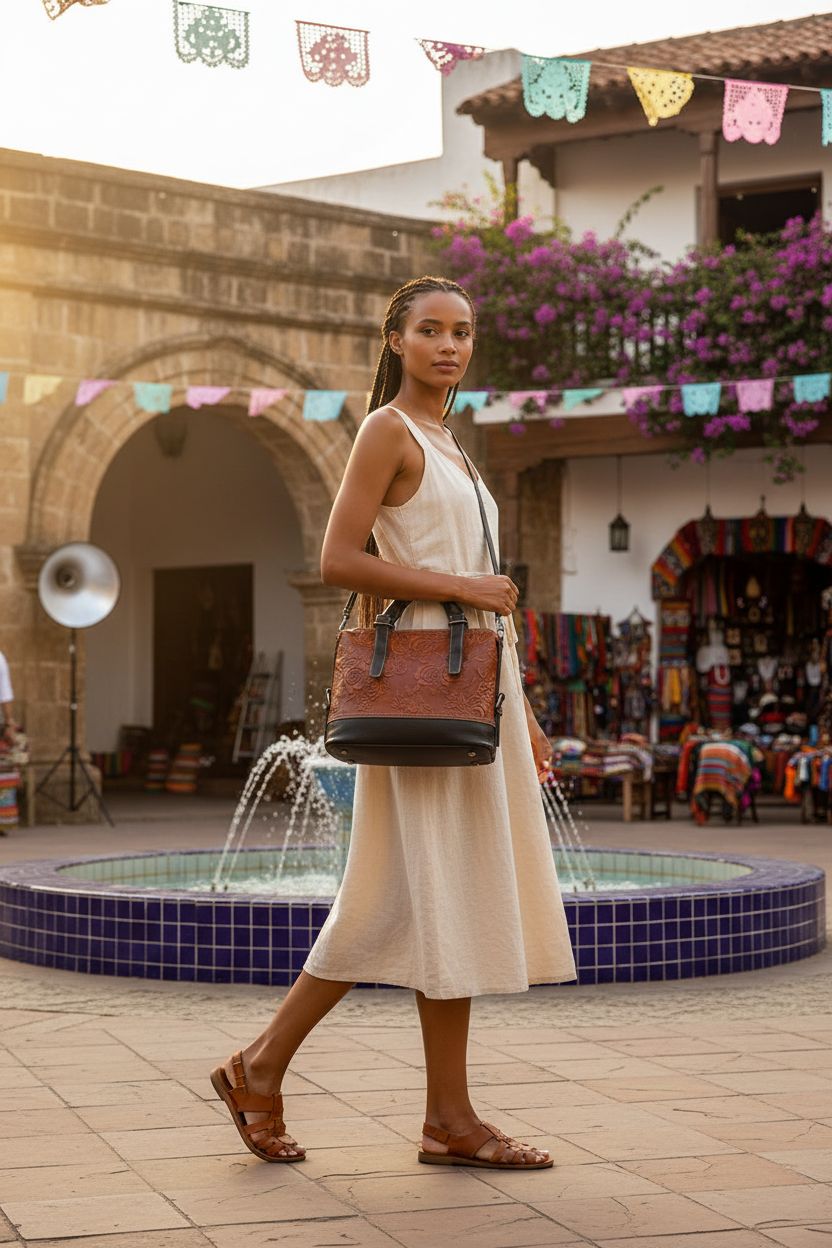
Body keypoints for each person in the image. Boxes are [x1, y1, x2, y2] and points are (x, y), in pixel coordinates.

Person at [211, 275, 577, 1170]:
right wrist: (460, 587)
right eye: (431, 330)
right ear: (396, 340)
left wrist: (525, 716)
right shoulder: (387, 430)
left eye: (463, 332)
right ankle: (399, 1106)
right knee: (420, 896)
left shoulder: (453, 444)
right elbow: (339, 558)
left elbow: (488, 598)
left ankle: (388, 1102)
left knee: (428, 898)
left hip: (475, 692)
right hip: (426, 694)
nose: (449, 346)